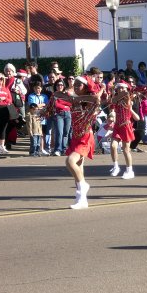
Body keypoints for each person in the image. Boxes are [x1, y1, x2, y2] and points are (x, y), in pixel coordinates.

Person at [47, 76, 103, 209]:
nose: (76, 87)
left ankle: (83, 185)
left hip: (85, 137)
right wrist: (69, 95)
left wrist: (74, 98)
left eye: (79, 85)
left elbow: (96, 98)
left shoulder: (90, 101)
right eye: (74, 84)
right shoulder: (73, 98)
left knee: (70, 162)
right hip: (76, 136)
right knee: (79, 167)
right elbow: (55, 94)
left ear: (86, 87)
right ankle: (82, 200)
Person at [109, 80, 141, 180]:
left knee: (126, 150)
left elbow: (128, 99)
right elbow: (112, 108)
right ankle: (115, 166)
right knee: (113, 146)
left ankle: (129, 170)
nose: (121, 89)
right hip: (117, 126)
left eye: (122, 88)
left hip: (126, 126)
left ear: (126, 89)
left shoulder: (128, 98)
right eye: (119, 88)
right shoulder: (115, 99)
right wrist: (111, 117)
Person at [53, 79, 72, 156]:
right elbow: (56, 105)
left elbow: (70, 103)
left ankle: (64, 149)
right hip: (59, 114)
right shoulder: (54, 94)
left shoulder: (67, 94)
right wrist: (65, 106)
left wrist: (66, 105)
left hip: (68, 114)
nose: (60, 86)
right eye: (58, 85)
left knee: (66, 132)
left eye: (61, 85)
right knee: (59, 132)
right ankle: (58, 149)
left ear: (63, 86)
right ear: (56, 86)